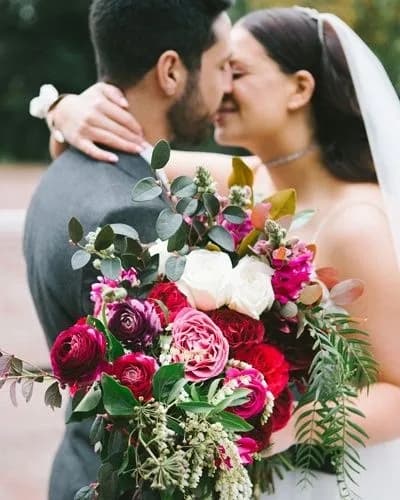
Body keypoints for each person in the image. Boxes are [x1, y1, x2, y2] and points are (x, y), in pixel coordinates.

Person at [42, 6, 400, 499]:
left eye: (237, 70)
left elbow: (398, 392)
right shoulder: (248, 179)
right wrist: (65, 111)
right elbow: (120, 154)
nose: (218, 86)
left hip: (325, 477)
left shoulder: (358, 223)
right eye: (220, 67)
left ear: (300, 88)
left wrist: (269, 417)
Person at [24, 1, 233, 499]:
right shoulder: (129, 216)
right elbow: (161, 410)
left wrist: (56, 111)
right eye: (222, 65)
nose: (227, 86)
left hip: (79, 468)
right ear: (171, 70)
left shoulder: (66, 172)